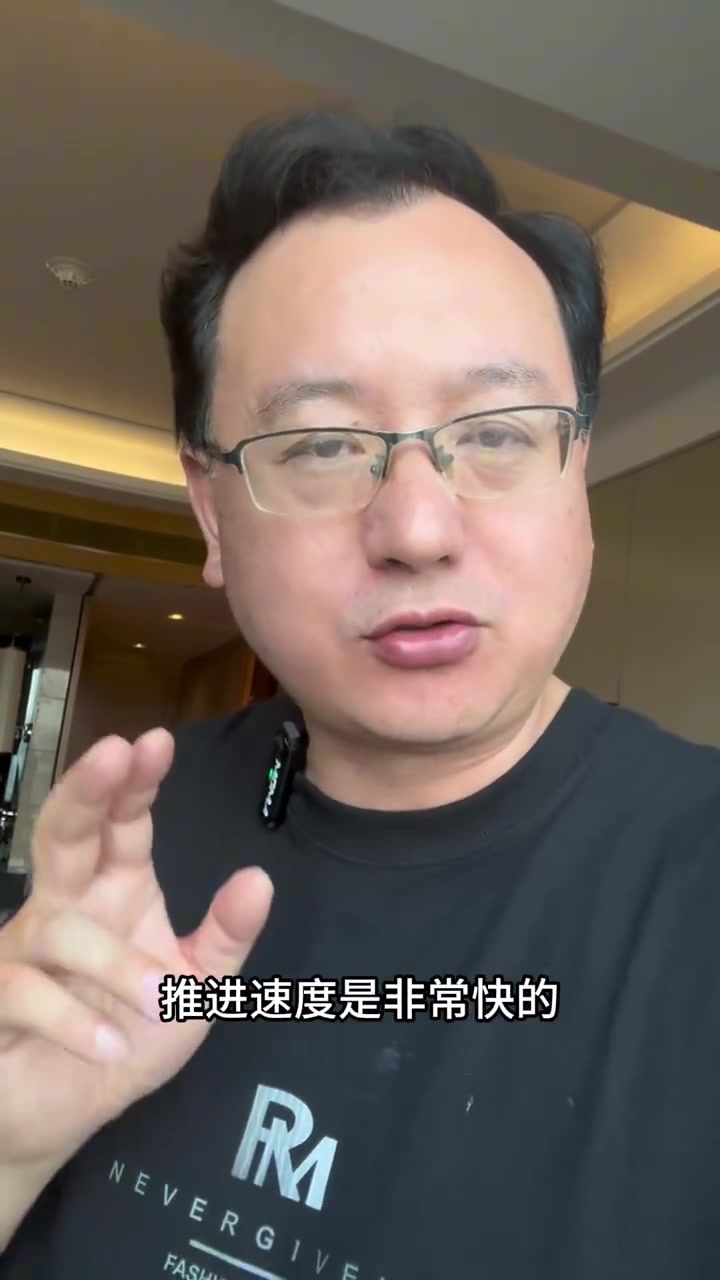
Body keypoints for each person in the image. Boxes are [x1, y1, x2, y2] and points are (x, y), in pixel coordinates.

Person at [1, 109, 719, 1280]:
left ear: (577, 470)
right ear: (211, 512)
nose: (419, 527)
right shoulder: (133, 841)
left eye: (497, 432)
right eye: (324, 444)